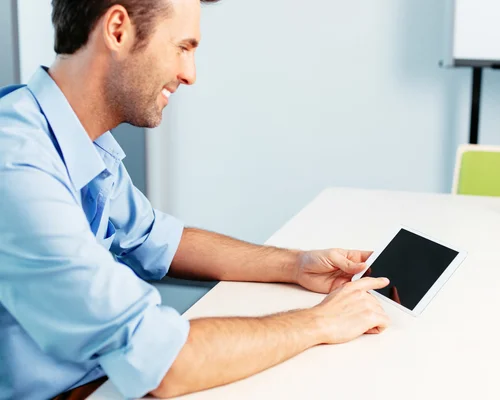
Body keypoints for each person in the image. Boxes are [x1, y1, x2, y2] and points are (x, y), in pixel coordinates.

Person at [0, 0, 392, 399]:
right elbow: (164, 364)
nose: (189, 74)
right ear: (118, 29)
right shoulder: (16, 161)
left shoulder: (75, 137)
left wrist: (296, 265)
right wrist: (320, 323)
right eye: (182, 48)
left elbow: (156, 238)